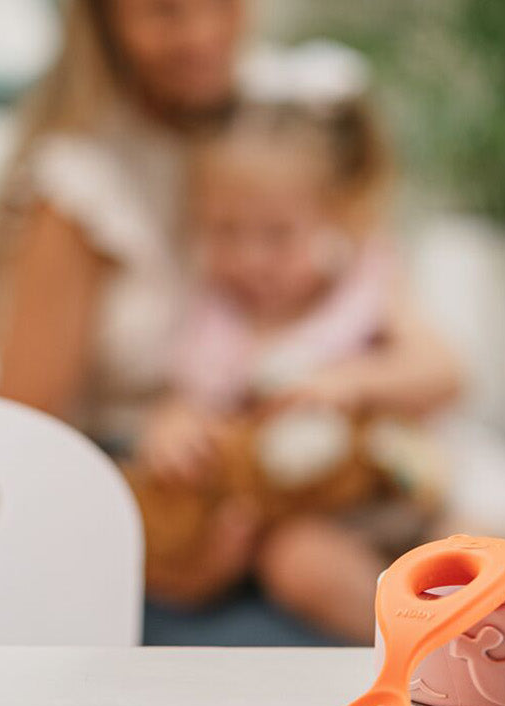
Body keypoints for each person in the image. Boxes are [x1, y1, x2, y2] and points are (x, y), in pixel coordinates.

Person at [0, 0, 465, 636]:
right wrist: (172, 553)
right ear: (103, 15)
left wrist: (346, 396)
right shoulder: (80, 185)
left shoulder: (289, 126)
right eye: (163, 10)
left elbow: (416, 347)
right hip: (157, 527)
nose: (202, 33)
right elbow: (22, 453)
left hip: (316, 495)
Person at [131, 46, 457, 639]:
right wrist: (173, 429)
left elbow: (445, 373)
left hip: (408, 488)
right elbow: (190, 404)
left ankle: (489, 633)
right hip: (307, 516)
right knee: (294, 563)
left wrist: (349, 382)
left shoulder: (366, 283)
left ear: (335, 215)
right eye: (226, 232)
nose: (251, 259)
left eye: (278, 235)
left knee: (475, 539)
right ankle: (419, 651)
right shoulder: (216, 316)